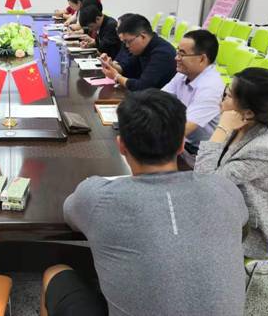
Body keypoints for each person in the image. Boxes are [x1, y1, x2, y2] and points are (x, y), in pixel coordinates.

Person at [41, 89, 248, 316]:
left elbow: (69, 214)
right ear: (181, 145)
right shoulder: (225, 189)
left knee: (55, 273)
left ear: (121, 146)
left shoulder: (97, 197)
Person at [195, 67, 268, 259]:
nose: (222, 98)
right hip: (232, 207)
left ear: (249, 113)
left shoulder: (264, 149)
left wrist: (221, 129)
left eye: (228, 95)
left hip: (254, 233)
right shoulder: (244, 126)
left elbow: (204, 185)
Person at [162, 30, 224, 167]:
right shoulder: (184, 73)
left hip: (201, 157)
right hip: (183, 146)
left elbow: (185, 128)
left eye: (182, 54)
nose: (176, 58)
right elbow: (158, 99)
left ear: (202, 59)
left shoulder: (211, 86)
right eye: (177, 52)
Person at [100, 14, 176, 91]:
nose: (126, 46)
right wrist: (112, 66)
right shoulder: (143, 48)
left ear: (142, 36)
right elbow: (127, 68)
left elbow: (142, 86)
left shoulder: (162, 54)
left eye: (128, 42)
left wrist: (116, 76)